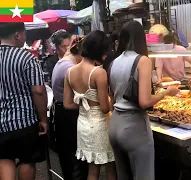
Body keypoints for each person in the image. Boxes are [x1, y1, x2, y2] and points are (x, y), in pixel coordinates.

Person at [108, 20, 179, 180]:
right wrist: (166, 93)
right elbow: (144, 101)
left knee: (123, 176)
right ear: (142, 38)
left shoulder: (114, 62)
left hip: (115, 125)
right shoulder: (142, 61)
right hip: (134, 128)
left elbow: (113, 98)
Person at [63, 30, 116, 180]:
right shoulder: (99, 73)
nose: (106, 56)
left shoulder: (69, 72)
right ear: (99, 51)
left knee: (92, 170)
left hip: (83, 124)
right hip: (100, 124)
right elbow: (105, 108)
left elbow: (67, 104)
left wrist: (84, 105)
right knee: (111, 167)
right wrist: (111, 99)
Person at [0, 23, 47, 180]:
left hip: (1, 124)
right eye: (25, 34)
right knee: (27, 160)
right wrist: (43, 119)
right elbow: (38, 91)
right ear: (17, 35)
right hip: (25, 121)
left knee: (5, 159)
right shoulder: (27, 58)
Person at [51, 35, 88, 180]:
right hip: (69, 116)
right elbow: (83, 95)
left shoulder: (63, 62)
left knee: (68, 159)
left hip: (61, 113)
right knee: (76, 160)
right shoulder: (70, 67)